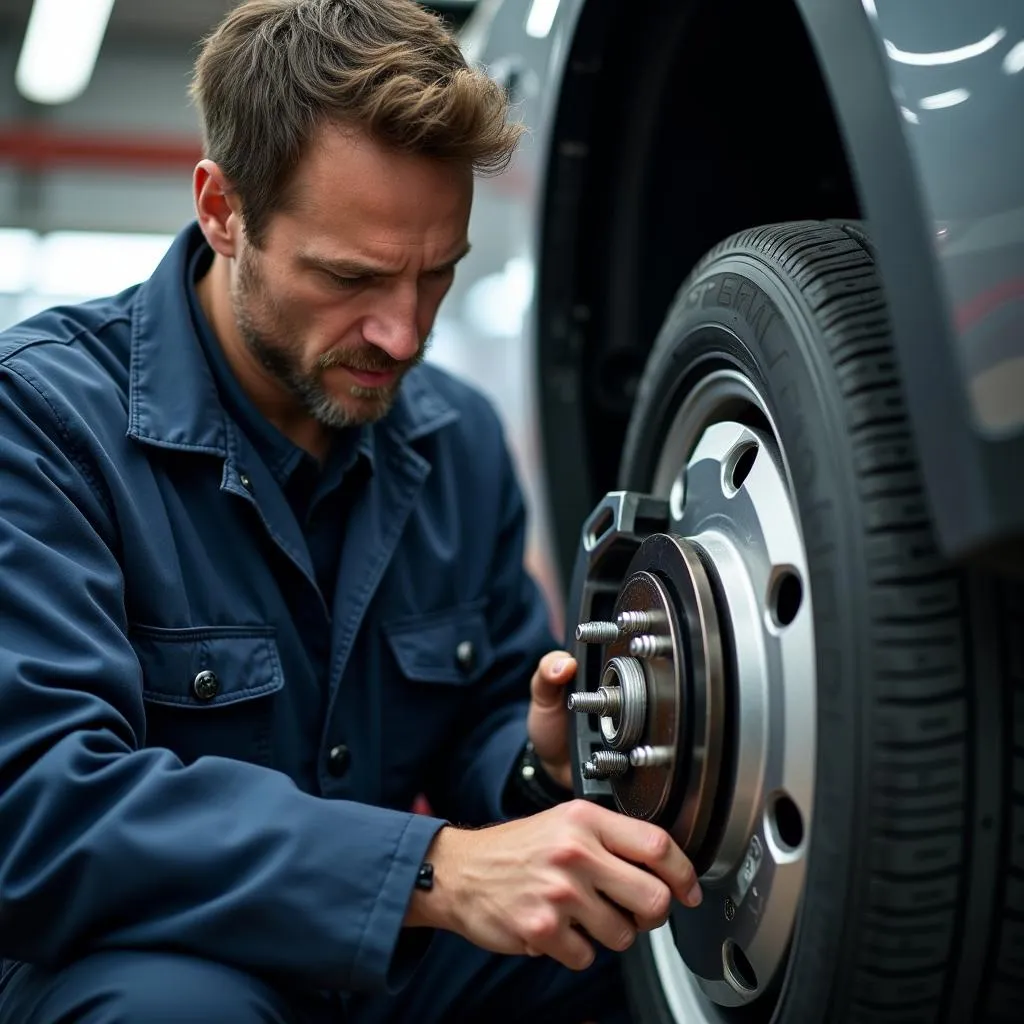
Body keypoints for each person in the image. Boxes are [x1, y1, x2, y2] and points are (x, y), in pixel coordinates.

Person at [0, 2, 702, 1022]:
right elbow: (37, 807)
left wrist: (537, 758)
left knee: (633, 954)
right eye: (351, 276)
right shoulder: (43, 424)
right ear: (222, 210)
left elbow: (481, 725)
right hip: (145, 954)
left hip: (384, 963)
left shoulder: (453, 439)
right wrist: (432, 872)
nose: (404, 333)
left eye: (437, 274)